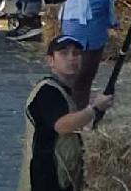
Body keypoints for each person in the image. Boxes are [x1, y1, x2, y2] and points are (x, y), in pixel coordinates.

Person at [24, 35, 112, 191]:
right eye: (64, 53)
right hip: (46, 180)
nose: (71, 58)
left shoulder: (62, 90)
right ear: (50, 61)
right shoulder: (48, 91)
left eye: (76, 53)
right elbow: (63, 125)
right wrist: (94, 109)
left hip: (59, 178)